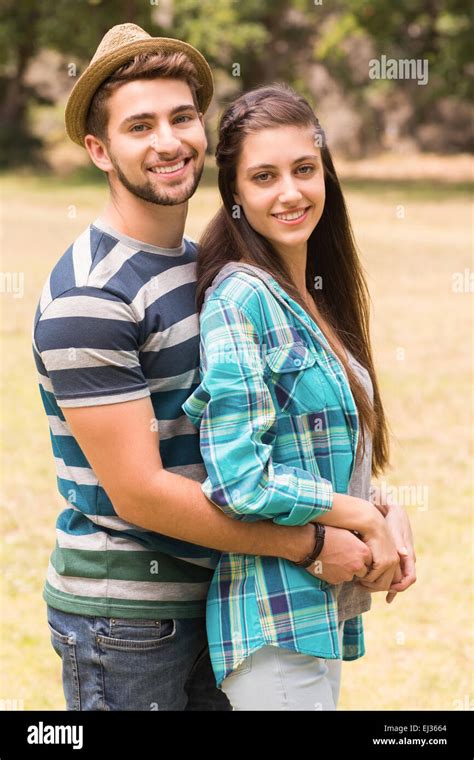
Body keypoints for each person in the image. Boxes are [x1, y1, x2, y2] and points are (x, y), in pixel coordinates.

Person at [32, 24, 384, 711]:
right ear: (100, 150)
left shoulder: (207, 269)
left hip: (221, 598)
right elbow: (140, 494)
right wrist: (312, 545)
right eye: (140, 126)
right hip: (128, 624)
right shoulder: (89, 296)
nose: (168, 141)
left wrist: (377, 509)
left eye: (182, 117)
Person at [182, 83, 417, 710]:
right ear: (234, 196)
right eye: (264, 176)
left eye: (304, 169)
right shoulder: (240, 299)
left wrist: (385, 510)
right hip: (269, 621)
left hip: (314, 616)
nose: (290, 192)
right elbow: (239, 477)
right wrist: (361, 517)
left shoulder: (311, 291)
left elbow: (312, 447)